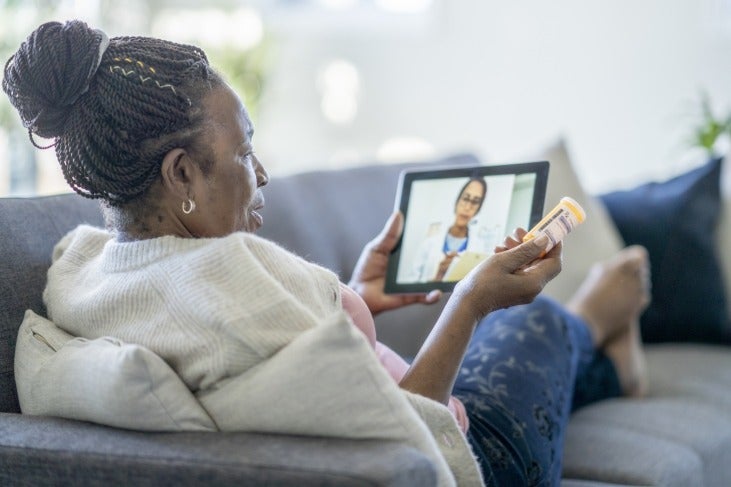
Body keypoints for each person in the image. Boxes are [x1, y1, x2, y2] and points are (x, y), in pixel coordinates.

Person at [3, 20, 650, 486]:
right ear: (180, 176)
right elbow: (408, 438)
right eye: (242, 153)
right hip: (479, 448)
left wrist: (356, 296)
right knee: (525, 319)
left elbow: (290, 369)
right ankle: (597, 316)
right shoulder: (226, 287)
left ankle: (609, 363)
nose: (261, 173)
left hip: (406, 387)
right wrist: (472, 301)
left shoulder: (88, 272)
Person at [408, 176, 493, 282]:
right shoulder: (430, 242)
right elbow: (411, 282)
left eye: (475, 202)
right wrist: (437, 278)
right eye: (465, 198)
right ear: (457, 201)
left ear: (478, 208)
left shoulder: (480, 247)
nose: (467, 207)